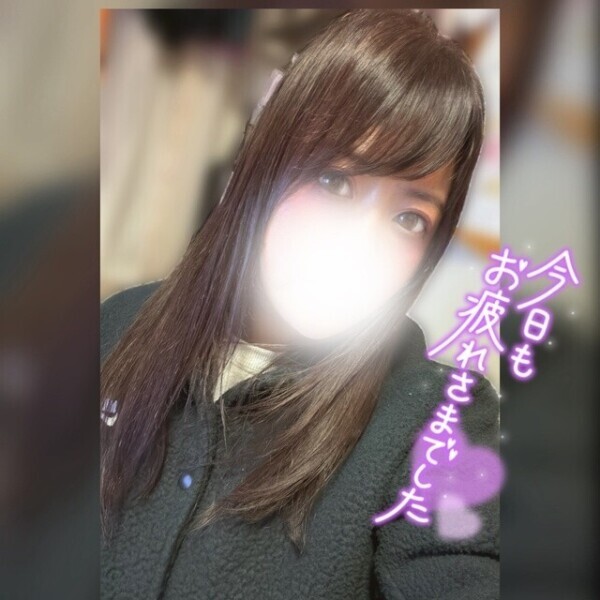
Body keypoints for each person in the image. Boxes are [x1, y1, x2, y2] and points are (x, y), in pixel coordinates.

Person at [100, 8, 499, 599]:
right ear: (266, 155)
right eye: (335, 181)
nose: (361, 242)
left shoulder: (438, 420)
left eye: (410, 218)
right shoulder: (116, 327)